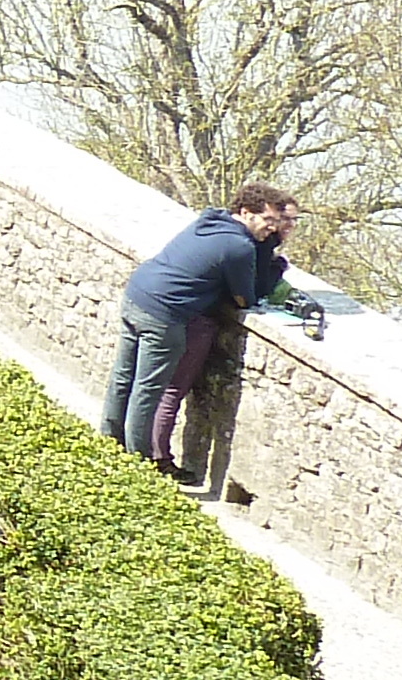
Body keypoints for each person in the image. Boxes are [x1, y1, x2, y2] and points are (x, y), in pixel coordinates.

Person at [98, 185, 300, 479]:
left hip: (138, 294)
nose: (272, 227)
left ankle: (107, 441)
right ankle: (136, 463)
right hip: (164, 314)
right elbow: (246, 297)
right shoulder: (240, 246)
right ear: (245, 213)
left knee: (123, 376)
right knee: (148, 389)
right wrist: (274, 266)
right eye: (267, 219)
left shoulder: (210, 221)